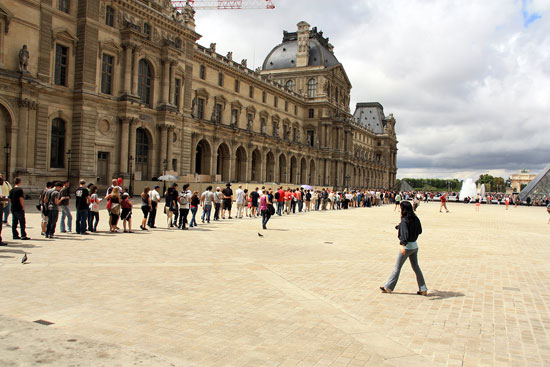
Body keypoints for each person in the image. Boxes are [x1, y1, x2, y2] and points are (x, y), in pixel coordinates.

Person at [380, 201, 428, 296]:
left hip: (406, 247)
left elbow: (405, 234)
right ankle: (423, 288)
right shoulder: (415, 218)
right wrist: (400, 227)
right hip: (415, 246)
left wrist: (402, 245)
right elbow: (419, 230)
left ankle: (388, 287)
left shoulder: (405, 220)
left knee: (397, 268)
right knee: (416, 268)